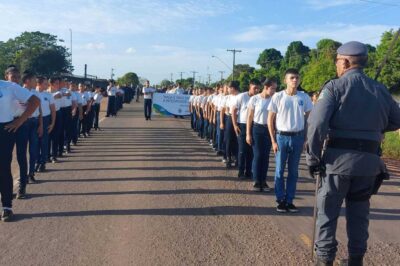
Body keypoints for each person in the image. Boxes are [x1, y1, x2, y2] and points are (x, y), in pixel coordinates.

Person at [306, 41, 400, 266]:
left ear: (346, 62)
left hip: (337, 164)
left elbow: (316, 125)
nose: (337, 65)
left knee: (327, 214)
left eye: (338, 61)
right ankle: (356, 260)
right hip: (368, 166)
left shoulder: (334, 87)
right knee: (359, 216)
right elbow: (396, 120)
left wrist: (313, 158)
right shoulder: (379, 89)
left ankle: (324, 260)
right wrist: (371, 128)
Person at [267, 68, 313, 213]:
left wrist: (306, 139)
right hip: (281, 137)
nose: (295, 80)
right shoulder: (278, 96)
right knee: (280, 170)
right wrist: (273, 141)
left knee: (293, 171)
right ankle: (280, 199)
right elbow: (270, 120)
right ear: (285, 80)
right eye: (292, 78)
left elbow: (309, 120)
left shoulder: (304, 97)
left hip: (298, 137)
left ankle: (289, 200)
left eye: (297, 78)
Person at [0, 79, 40, 221]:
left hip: (4, 129)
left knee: (3, 168)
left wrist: (20, 120)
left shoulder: (9, 86)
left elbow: (35, 101)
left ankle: (7, 207)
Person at [246, 78, 277, 191]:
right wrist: (248, 134)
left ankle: (263, 181)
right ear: (266, 87)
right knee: (258, 155)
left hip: (269, 130)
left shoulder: (274, 100)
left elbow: (275, 118)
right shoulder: (255, 99)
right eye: (273, 88)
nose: (274, 91)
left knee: (266, 157)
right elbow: (249, 117)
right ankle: (256, 180)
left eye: (275, 88)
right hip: (257, 129)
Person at [232, 79, 260, 179]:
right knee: (242, 150)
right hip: (242, 125)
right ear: (250, 86)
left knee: (251, 151)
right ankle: (241, 171)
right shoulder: (242, 96)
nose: (256, 90)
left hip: (254, 126)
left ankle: (249, 171)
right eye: (254, 88)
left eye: (258, 88)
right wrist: (235, 125)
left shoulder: (258, 98)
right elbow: (234, 110)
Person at [36, 76, 56, 173]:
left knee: (44, 142)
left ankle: (42, 162)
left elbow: (53, 110)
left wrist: (52, 123)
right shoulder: (32, 93)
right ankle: (35, 162)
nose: (47, 85)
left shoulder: (48, 95)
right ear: (38, 84)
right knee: (34, 143)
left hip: (45, 119)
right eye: (45, 83)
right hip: (34, 120)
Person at [223, 81, 240, 168]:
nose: (227, 90)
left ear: (232, 88)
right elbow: (226, 109)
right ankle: (228, 158)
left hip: (239, 120)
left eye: (228, 88)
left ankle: (237, 158)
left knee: (237, 140)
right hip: (230, 119)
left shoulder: (241, 96)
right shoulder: (228, 97)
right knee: (228, 140)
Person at [48, 77, 62, 163]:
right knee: (47, 136)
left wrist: (47, 97)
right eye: (56, 83)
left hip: (57, 114)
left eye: (58, 83)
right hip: (47, 115)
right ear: (51, 84)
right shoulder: (46, 93)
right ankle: (47, 156)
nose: (58, 85)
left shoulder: (58, 92)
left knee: (55, 135)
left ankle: (54, 155)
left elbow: (58, 95)